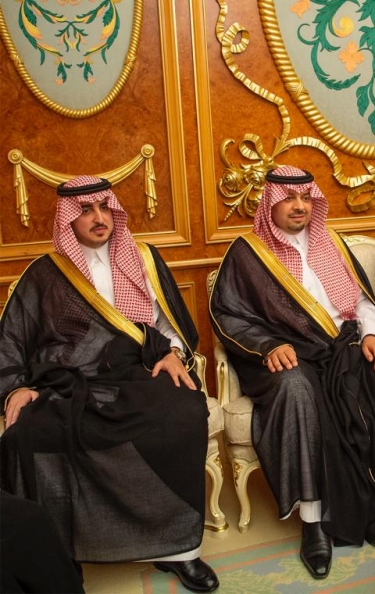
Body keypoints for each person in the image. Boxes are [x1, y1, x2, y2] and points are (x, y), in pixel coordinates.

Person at [0, 176, 219, 592]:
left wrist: (172, 353)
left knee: (183, 415)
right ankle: (61, 552)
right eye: (85, 210)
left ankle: (179, 552)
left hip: (138, 371)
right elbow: (12, 338)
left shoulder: (143, 258)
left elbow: (167, 323)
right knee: (29, 434)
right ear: (68, 219)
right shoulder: (45, 273)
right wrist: (16, 387)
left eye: (104, 207)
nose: (99, 218)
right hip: (69, 381)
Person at [209, 166, 375, 580]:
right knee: (298, 390)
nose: (300, 206)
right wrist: (268, 345)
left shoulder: (331, 242)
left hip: (342, 346)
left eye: (306, 198)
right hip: (285, 355)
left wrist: (373, 335)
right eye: (289, 199)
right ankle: (313, 523)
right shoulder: (247, 253)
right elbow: (228, 315)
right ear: (271, 203)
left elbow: (361, 301)